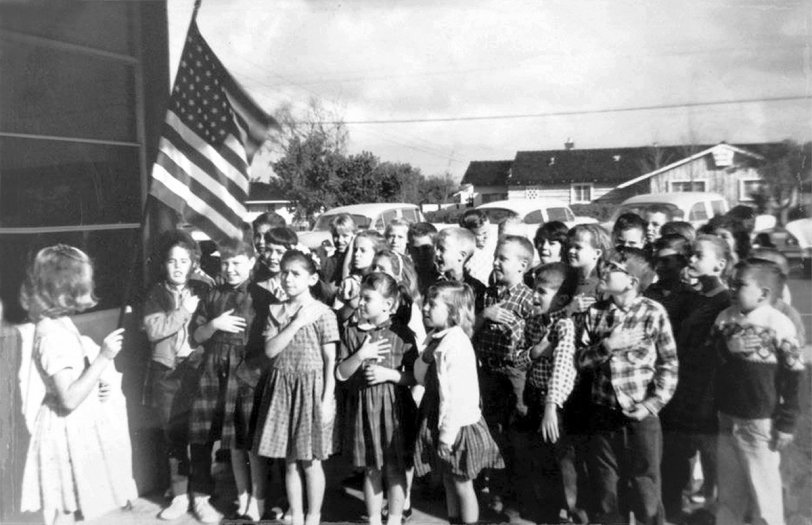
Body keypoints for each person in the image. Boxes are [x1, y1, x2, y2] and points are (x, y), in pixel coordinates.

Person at [19, 245, 128, 525]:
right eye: (83, 283)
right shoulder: (51, 335)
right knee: (65, 510)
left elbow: (77, 379)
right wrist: (104, 358)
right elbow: (68, 399)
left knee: (74, 507)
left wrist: (96, 380)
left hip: (74, 428)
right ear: (65, 287)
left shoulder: (59, 322)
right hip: (65, 430)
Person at [578, 247, 678, 525]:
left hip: (641, 415)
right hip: (603, 412)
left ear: (632, 282)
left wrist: (652, 404)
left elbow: (669, 365)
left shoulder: (653, 313)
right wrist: (607, 346)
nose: (603, 269)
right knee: (607, 486)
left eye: (612, 267)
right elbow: (580, 359)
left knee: (645, 483)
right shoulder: (595, 313)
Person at [712, 259, 804, 525]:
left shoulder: (778, 323)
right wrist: (727, 348)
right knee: (729, 490)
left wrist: (787, 421)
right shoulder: (724, 319)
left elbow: (794, 376)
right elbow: (709, 360)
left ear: (763, 293)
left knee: (763, 489)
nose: (731, 288)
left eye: (739, 284)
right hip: (727, 416)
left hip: (759, 421)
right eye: (731, 282)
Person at [188, 236, 271, 522]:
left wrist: (253, 373)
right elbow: (196, 335)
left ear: (251, 261)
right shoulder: (212, 295)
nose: (231, 269)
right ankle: (243, 494)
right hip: (217, 369)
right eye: (226, 263)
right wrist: (214, 325)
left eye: (237, 263)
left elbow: (266, 343)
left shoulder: (261, 296)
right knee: (233, 441)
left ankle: (259, 498)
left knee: (251, 442)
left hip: (248, 372)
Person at [254, 250, 340, 525]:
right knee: (289, 460)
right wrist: (297, 322)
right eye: (284, 273)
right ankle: (297, 514)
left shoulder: (323, 313)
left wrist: (328, 399)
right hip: (282, 389)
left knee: (310, 461)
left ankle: (313, 516)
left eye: (296, 274)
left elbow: (330, 360)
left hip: (311, 390)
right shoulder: (276, 310)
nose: (288, 279)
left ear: (312, 278)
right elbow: (270, 350)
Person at [413, 281, 504, 525]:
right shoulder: (437, 338)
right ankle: (454, 520)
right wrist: (425, 354)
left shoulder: (456, 344)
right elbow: (420, 375)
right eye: (426, 303)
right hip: (437, 417)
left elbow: (456, 396)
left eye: (433, 305)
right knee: (448, 479)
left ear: (453, 312)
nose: (425, 308)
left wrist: (446, 436)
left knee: (462, 482)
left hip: (456, 425)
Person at [659, 235, 732, 522]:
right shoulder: (696, 297)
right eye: (690, 255)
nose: (691, 260)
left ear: (720, 264)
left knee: (711, 453)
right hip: (687, 387)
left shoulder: (724, 301)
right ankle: (691, 506)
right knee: (687, 451)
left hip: (710, 391)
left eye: (699, 255)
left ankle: (715, 507)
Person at [337, 273, 418, 525]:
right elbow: (340, 373)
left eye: (367, 298)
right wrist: (361, 355)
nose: (360, 302)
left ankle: (394, 519)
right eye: (360, 297)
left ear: (388, 304)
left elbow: (415, 377)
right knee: (371, 469)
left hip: (394, 410)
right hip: (364, 410)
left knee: (395, 470)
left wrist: (390, 374)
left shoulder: (402, 334)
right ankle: (373, 520)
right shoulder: (351, 332)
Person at [142, 230, 211, 520]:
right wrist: (183, 311)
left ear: (194, 263)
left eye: (184, 260)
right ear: (163, 265)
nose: (178, 266)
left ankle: (203, 496)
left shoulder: (204, 290)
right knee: (174, 436)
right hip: (168, 372)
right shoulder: (155, 294)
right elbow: (155, 330)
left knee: (202, 436)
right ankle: (180, 495)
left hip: (197, 368)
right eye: (172, 261)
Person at [472, 235, 536, 512]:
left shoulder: (528, 298)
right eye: (496, 257)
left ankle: (518, 496)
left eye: (503, 259)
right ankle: (497, 491)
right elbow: (472, 330)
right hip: (488, 372)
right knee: (493, 432)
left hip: (514, 374)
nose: (496, 262)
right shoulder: (489, 294)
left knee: (517, 434)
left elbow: (535, 337)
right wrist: (486, 315)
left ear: (522, 265)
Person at [514, 262, 579, 524]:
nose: (534, 296)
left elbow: (563, 368)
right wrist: (536, 352)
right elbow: (517, 359)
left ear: (561, 298)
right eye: (534, 290)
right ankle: (548, 516)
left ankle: (575, 515)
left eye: (541, 292)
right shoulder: (534, 322)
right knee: (541, 463)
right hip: (535, 398)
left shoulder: (565, 326)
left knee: (564, 465)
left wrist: (551, 407)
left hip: (557, 405)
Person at [644, 234, 694, 340]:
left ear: (682, 262)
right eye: (656, 260)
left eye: (666, 261)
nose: (658, 266)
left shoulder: (692, 296)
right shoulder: (646, 293)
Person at [336, 230, 388, 326]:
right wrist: (351, 305)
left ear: (376, 253)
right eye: (355, 250)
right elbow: (335, 318)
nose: (356, 254)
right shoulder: (350, 282)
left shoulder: (385, 281)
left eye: (363, 250)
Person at [433, 227, 486, 303]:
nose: (437, 253)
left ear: (461, 256)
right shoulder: (435, 283)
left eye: (442, 249)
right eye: (437, 248)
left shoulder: (475, 288)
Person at [255, 227, 299, 303]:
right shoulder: (257, 285)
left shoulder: (301, 284)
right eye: (268, 250)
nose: (272, 257)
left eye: (279, 252)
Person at [459, 209, 493, 286]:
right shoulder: (469, 255)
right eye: (482, 233)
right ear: (468, 234)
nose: (487, 236)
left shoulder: (488, 249)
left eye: (488, 231)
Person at [407, 222, 440, 297]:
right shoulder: (405, 278)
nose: (421, 254)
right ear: (409, 248)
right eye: (415, 249)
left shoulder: (443, 278)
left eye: (426, 248)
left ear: (436, 247)